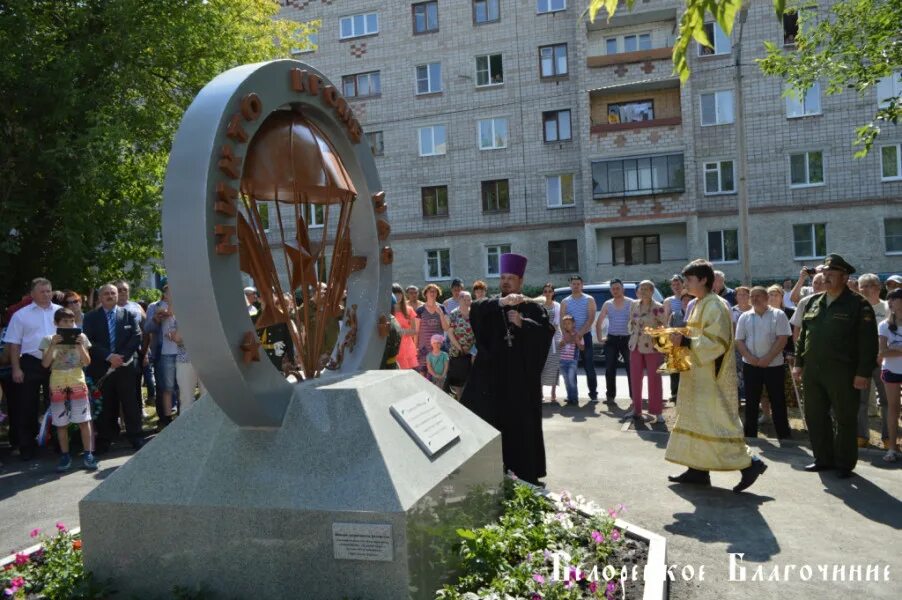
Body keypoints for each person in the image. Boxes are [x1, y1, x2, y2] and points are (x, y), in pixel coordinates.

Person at [665, 259, 767, 493]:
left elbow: (717, 342)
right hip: (695, 374)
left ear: (703, 280)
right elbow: (695, 335)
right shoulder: (699, 303)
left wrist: (687, 340)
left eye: (689, 279)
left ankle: (751, 464)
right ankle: (697, 470)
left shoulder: (716, 305)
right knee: (695, 420)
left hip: (711, 377)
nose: (685, 284)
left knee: (717, 422)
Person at [460, 253, 554, 484]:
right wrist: (501, 303)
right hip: (493, 381)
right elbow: (475, 311)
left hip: (520, 383)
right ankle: (488, 473)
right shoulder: (491, 305)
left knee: (521, 428)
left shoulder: (533, 308)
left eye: (511, 277)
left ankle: (524, 474)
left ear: (520, 281)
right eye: (502, 277)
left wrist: (523, 325)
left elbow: (545, 334)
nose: (505, 281)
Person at [793, 254, 877, 478]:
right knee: (815, 415)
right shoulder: (813, 301)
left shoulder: (858, 304)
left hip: (843, 371)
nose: (826, 277)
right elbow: (803, 336)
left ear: (844, 276)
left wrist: (863, 373)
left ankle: (843, 463)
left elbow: (869, 343)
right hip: (813, 370)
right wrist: (799, 363)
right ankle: (823, 458)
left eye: (831, 274)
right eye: (824, 274)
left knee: (844, 417)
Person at [2, 278, 62, 460]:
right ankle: (27, 446)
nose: (46, 294)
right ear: (32, 294)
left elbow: (71, 336)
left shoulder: (60, 312)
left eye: (48, 291)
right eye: (42, 291)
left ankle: (60, 444)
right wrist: (16, 369)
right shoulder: (21, 315)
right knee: (27, 406)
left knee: (58, 403)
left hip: (56, 363)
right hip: (30, 363)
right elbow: (13, 344)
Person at [83, 283, 143, 453]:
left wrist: (121, 356)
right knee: (105, 404)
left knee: (130, 403)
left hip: (125, 367)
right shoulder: (91, 317)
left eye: (113, 293)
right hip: (102, 368)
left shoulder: (129, 314)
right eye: (106, 293)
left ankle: (135, 436)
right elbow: (88, 341)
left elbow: (136, 336)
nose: (110, 296)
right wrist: (109, 357)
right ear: (100, 297)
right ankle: (105, 439)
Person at [39, 308, 98, 471]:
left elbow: (87, 362)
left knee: (84, 419)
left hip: (77, 379)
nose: (68, 324)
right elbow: (45, 364)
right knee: (60, 422)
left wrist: (80, 346)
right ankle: (65, 455)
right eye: (64, 321)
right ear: (56, 323)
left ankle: (88, 453)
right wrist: (53, 345)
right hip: (57, 380)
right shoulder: (48, 339)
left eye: (71, 321)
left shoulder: (82, 337)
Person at [735, 287, 792, 440]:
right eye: (752, 296)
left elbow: (783, 339)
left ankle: (784, 435)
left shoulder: (778, 314)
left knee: (777, 400)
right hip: (751, 365)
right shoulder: (744, 316)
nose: (754, 299)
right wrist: (749, 357)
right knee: (752, 401)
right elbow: (739, 340)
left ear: (766, 297)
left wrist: (768, 357)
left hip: (774, 365)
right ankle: (750, 435)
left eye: (758, 296)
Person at [856, 273, 889, 448]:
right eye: (864, 286)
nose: (868, 289)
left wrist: (883, 354)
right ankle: (861, 435)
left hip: (883, 361)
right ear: (858, 288)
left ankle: (888, 437)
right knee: (860, 401)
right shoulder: (855, 308)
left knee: (886, 401)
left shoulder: (888, 307)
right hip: (861, 362)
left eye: (872, 285)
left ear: (879, 287)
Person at [626, 281, 666, 422]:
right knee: (635, 378)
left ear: (652, 290)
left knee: (654, 379)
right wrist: (632, 331)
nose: (643, 291)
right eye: (641, 289)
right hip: (635, 345)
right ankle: (636, 410)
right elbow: (631, 321)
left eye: (646, 289)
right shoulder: (634, 304)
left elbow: (663, 326)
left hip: (652, 347)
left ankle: (657, 412)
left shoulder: (658, 307)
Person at [560, 275, 598, 402]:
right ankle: (572, 395)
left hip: (585, 336)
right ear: (570, 285)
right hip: (569, 338)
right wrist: (566, 335)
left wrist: (580, 333)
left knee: (589, 366)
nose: (576, 286)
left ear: (582, 285)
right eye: (573, 283)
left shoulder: (589, 299)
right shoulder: (565, 301)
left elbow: (591, 318)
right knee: (571, 366)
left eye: (578, 284)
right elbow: (562, 320)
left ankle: (593, 394)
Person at [596, 279, 633, 402]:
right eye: (613, 289)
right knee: (610, 368)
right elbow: (599, 321)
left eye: (618, 288)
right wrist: (600, 337)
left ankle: (634, 396)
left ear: (623, 289)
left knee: (631, 368)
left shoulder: (631, 303)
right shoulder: (607, 304)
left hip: (627, 339)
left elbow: (637, 321)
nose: (615, 291)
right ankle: (610, 396)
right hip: (611, 339)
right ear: (610, 290)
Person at [877, 288, 902, 462]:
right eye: (889, 300)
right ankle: (892, 448)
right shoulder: (884, 325)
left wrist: (894, 349)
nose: (890, 302)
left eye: (894, 299)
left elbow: (888, 350)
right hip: (891, 371)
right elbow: (882, 353)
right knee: (893, 410)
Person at [414, 284, 449, 376]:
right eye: (431, 291)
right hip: (424, 348)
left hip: (438, 348)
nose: (433, 293)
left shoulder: (442, 308)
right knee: (423, 374)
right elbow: (416, 331)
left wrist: (441, 314)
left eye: (435, 291)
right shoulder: (420, 310)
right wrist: (415, 347)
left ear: (438, 294)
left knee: (438, 374)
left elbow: (446, 328)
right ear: (426, 294)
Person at [446, 291, 475, 398]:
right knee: (458, 380)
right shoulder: (454, 313)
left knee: (470, 378)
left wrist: (471, 348)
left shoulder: (474, 313)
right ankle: (459, 400)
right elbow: (450, 333)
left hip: (472, 352)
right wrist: (460, 348)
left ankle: (468, 402)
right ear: (460, 300)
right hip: (457, 351)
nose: (469, 301)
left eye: (470, 299)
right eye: (467, 299)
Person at [539, 283, 561, 403]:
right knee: (542, 366)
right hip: (541, 339)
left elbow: (558, 323)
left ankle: (553, 393)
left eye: (549, 291)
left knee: (554, 366)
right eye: (545, 291)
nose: (547, 293)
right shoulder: (539, 305)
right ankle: (541, 393)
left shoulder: (557, 305)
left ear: (553, 293)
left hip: (555, 337)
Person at [391, 284, 418, 370]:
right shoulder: (386, 310)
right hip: (394, 347)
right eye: (395, 294)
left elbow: (414, 331)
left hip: (407, 347)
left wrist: (403, 331)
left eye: (399, 294)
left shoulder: (409, 310)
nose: (397, 296)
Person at [558, 315, 583, 405]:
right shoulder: (562, 334)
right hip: (562, 361)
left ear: (573, 324)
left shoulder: (577, 334)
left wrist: (577, 341)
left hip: (572, 361)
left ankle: (574, 398)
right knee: (567, 381)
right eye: (564, 324)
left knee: (571, 380)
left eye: (568, 323)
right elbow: (559, 346)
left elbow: (582, 347)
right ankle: (569, 397)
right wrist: (561, 343)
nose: (566, 325)